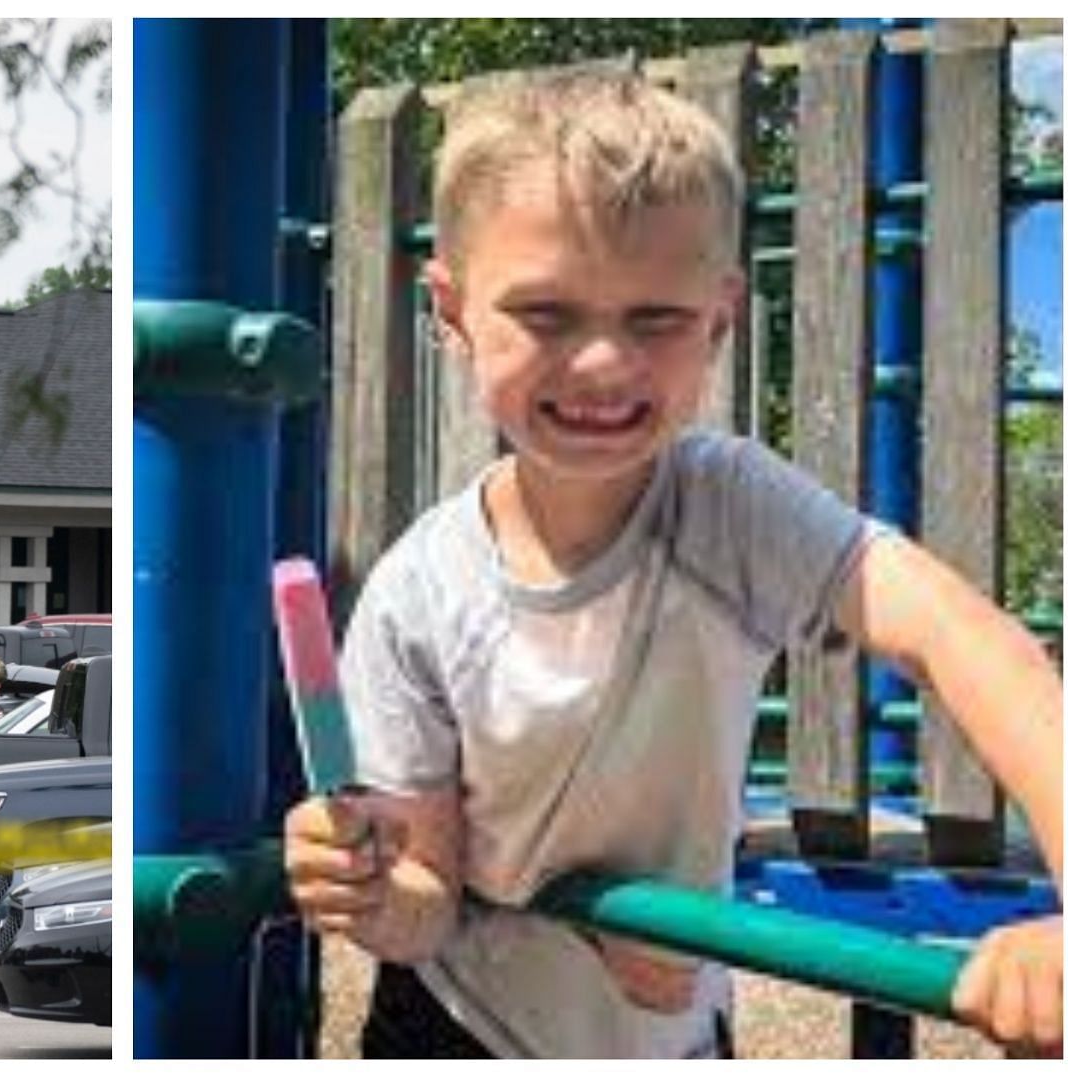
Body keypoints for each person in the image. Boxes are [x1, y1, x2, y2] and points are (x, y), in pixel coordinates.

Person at [282, 70, 1062, 1058]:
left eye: (655, 319)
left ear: (721, 320)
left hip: (676, 1034)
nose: (604, 363)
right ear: (452, 311)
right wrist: (362, 890)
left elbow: (959, 635)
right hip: (461, 1029)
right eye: (548, 314)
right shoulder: (416, 596)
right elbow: (425, 906)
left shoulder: (729, 508)